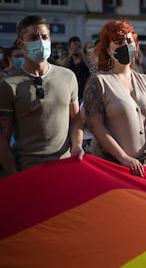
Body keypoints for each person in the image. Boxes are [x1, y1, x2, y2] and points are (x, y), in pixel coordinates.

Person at [82, 20, 146, 178]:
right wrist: (123, 158)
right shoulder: (98, 82)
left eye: (129, 41)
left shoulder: (145, 81)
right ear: (108, 50)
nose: (125, 45)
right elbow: (95, 125)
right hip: (114, 169)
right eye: (118, 42)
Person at [0, 15, 84, 176]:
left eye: (44, 37)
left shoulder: (68, 77)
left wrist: (77, 144)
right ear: (20, 43)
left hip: (64, 168)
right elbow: (3, 139)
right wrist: (13, 175)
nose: (40, 41)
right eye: (33, 37)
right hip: (28, 171)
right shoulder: (8, 85)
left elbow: (76, 119)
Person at [64, 36, 91, 102]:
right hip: (72, 92)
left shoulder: (85, 58)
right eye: (73, 48)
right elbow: (63, 68)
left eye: (77, 47)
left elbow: (91, 67)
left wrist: (83, 55)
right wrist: (70, 55)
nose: (75, 50)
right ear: (69, 48)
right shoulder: (69, 60)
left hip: (84, 92)